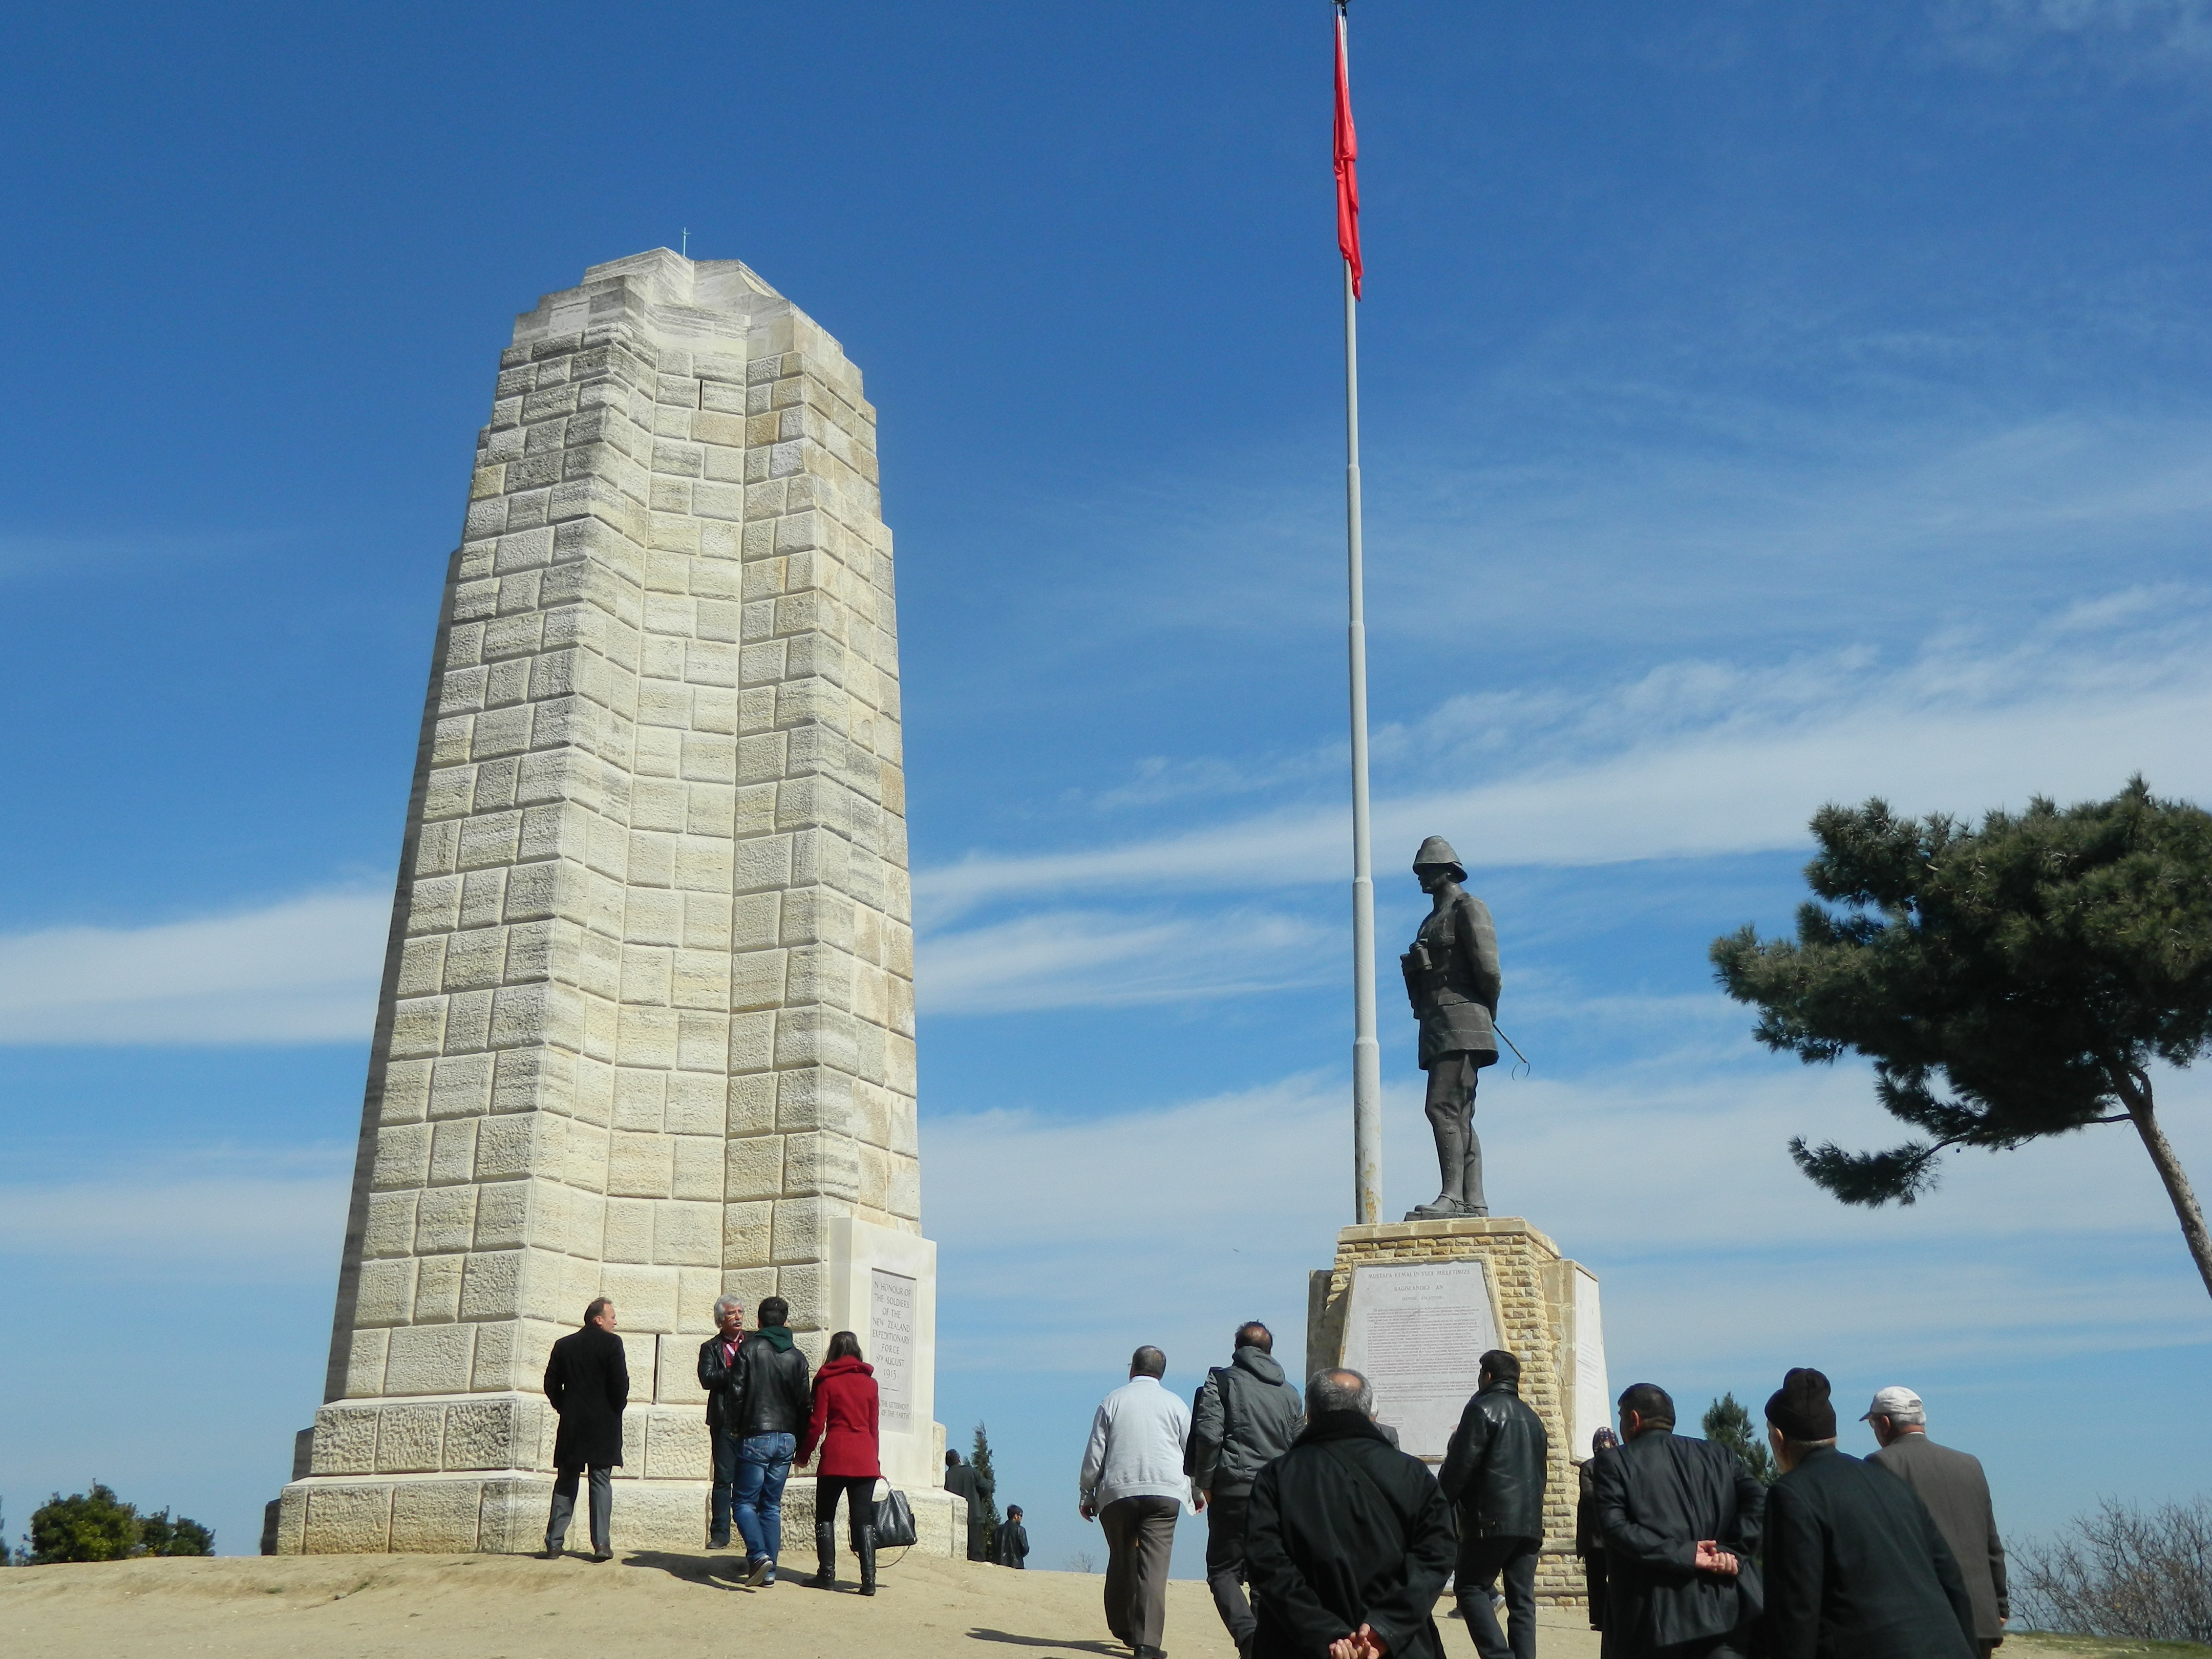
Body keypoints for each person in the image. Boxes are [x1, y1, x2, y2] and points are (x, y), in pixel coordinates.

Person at [1762, 1368, 1976, 1659]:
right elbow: (1951, 1579)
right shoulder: (1889, 1482)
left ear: (1778, 1437)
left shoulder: (1792, 1493)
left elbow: (1795, 1611)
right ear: (1833, 1436)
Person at [1245, 1367, 1457, 1659]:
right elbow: (1437, 1556)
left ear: (1310, 1412)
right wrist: (1384, 1630)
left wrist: (1327, 1633)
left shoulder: (1276, 1477)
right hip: (1397, 1648)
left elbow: (1267, 1564)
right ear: (1367, 1410)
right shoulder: (1413, 1474)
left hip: (1297, 1645)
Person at [1589, 1382, 1765, 1659]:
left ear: (1633, 1419)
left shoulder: (1614, 1463)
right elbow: (1760, 1501)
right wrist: (1731, 1552)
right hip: (1728, 1610)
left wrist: (1687, 1554)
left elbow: (1615, 1528)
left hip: (1655, 1620)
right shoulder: (1721, 1455)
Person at [1399, 836, 1504, 1220]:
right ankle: (1472, 1200)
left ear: (1447, 871)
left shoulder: (1469, 908)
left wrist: (1484, 1013)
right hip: (1436, 1022)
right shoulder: (1431, 919)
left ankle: (1452, 1197)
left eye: (1427, 869)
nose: (1421, 877)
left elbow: (1489, 971)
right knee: (1458, 1113)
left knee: (1442, 1107)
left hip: (1464, 1020)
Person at [1188, 1320, 1305, 1657]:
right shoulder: (1290, 1393)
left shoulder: (1221, 1380)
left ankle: (1250, 1640)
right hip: (1276, 1494)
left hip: (1234, 1489)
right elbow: (1298, 1448)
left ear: (1237, 1349)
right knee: (1264, 1573)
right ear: (1270, 1351)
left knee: (1223, 1571)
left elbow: (1209, 1435)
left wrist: (1205, 1483)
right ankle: (1264, 1647)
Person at [1864, 1388, 2011, 1656]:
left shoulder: (1881, 1463)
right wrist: (1999, 1604)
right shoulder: (1970, 1464)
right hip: (1980, 1616)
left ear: (1884, 1423)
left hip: (1925, 1622)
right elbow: (1991, 1543)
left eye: (1873, 1423)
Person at [1078, 1345, 1192, 1659]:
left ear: (1132, 1369)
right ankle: (1147, 1644)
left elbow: (1095, 1453)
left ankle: (1122, 1626)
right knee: (1154, 1569)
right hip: (1165, 1492)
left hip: (1118, 1492)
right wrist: (1196, 1491)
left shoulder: (1112, 1401)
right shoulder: (1176, 1404)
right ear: (1162, 1372)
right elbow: (1192, 1452)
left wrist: (1087, 1492)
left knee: (1122, 1556)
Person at [1439, 1349, 1549, 1659]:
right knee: (1522, 1601)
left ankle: (1499, 1656)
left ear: (1486, 1376)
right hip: (1529, 1523)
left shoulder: (1481, 1409)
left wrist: (1437, 1504)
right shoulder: (1533, 1418)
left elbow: (1461, 1467)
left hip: (1490, 1520)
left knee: (1470, 1587)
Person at [730, 1294, 811, 1587]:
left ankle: (759, 1556)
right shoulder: (798, 1357)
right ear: (786, 1322)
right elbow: (805, 1405)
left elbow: (736, 1394)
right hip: (787, 1438)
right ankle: (770, 1571)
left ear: (759, 1322)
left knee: (743, 1502)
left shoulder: (749, 1349)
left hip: (756, 1433)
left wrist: (734, 1430)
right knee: (772, 1505)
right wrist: (800, 1443)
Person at [543, 1296, 628, 1561]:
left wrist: (564, 1407)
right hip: (603, 1423)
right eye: (612, 1317)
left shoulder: (564, 1345)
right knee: (601, 1481)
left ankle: (554, 1544)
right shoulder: (612, 1343)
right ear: (598, 1319)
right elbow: (620, 1385)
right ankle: (602, 1544)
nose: (616, 1321)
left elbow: (550, 1384)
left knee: (566, 1481)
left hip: (573, 1423)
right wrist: (614, 1410)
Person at [797, 1329, 881, 1596]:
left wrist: (804, 1454)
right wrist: (874, 1459)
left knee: (825, 1516)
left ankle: (827, 1574)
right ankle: (869, 1580)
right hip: (865, 1457)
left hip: (836, 1455)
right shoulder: (871, 1384)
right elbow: (874, 1427)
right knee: (863, 1519)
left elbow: (816, 1424)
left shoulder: (826, 1382)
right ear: (857, 1351)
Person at [696, 1293, 746, 1550]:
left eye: (739, 1312)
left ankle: (752, 1533)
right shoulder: (711, 1347)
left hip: (751, 1419)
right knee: (724, 1477)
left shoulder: (753, 1343)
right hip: (724, 1419)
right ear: (721, 1320)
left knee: (750, 1477)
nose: (737, 1317)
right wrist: (735, 1371)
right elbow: (707, 1378)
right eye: (731, 1313)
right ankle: (720, 1533)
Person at [1576, 1427, 1621, 1636]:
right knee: (1597, 1578)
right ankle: (1601, 1618)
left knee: (1614, 1577)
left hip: (1611, 1532)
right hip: (1597, 1533)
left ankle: (1613, 1617)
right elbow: (1588, 1494)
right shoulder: (1588, 1468)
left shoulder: (1621, 1465)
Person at [944, 1449, 992, 1562]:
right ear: (959, 1460)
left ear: (947, 1463)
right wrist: (979, 1499)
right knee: (977, 1554)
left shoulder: (946, 1477)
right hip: (974, 1516)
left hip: (954, 1519)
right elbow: (987, 1487)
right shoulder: (971, 1472)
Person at [993, 1504, 1031, 1568]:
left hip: (1000, 1564)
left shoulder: (998, 1530)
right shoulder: (1020, 1530)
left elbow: (994, 1548)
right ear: (1016, 1516)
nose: (1021, 1518)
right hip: (1016, 1565)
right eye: (1021, 1515)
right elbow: (1025, 1549)